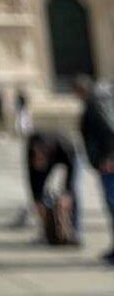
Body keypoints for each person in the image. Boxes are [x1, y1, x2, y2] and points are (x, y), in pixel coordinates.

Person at [73, 75, 114, 264]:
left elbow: (108, 130)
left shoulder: (95, 104)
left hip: (108, 164)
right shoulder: (101, 101)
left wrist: (108, 157)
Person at [26, 130, 81, 244]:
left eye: (41, 158)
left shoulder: (63, 147)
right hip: (48, 154)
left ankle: (75, 231)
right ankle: (46, 232)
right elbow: (32, 176)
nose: (39, 161)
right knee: (41, 199)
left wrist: (67, 193)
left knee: (73, 193)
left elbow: (71, 173)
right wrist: (36, 199)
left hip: (71, 155)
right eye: (37, 159)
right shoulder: (31, 148)